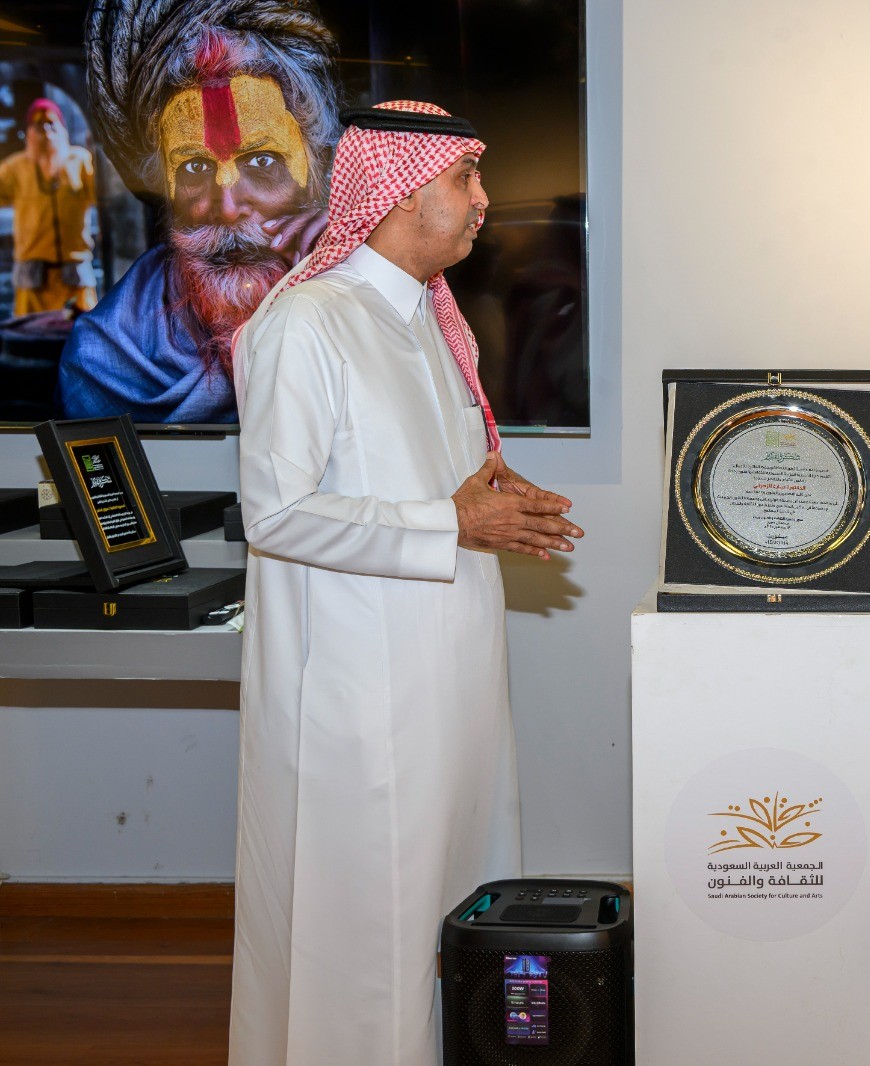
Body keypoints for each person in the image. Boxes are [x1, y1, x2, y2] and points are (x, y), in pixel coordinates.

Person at [229, 100, 585, 1065]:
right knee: (366, 921)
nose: (483, 200)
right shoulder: (309, 324)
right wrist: (452, 522)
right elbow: (277, 516)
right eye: (465, 178)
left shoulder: (428, 318)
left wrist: (491, 500)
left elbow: (424, 483)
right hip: (359, 695)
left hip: (450, 678)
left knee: (454, 893)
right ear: (397, 193)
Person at [58, 0, 341, 422]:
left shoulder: (362, 297)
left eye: (262, 161)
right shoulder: (107, 355)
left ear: (316, 170)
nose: (227, 208)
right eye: (194, 167)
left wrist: (349, 278)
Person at [0, 98, 98, 315]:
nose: (46, 130)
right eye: (38, 124)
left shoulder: (80, 160)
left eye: (51, 123)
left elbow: (103, 196)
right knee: (32, 334)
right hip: (33, 279)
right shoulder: (15, 167)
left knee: (81, 332)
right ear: (29, 132)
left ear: (62, 129)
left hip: (75, 276)